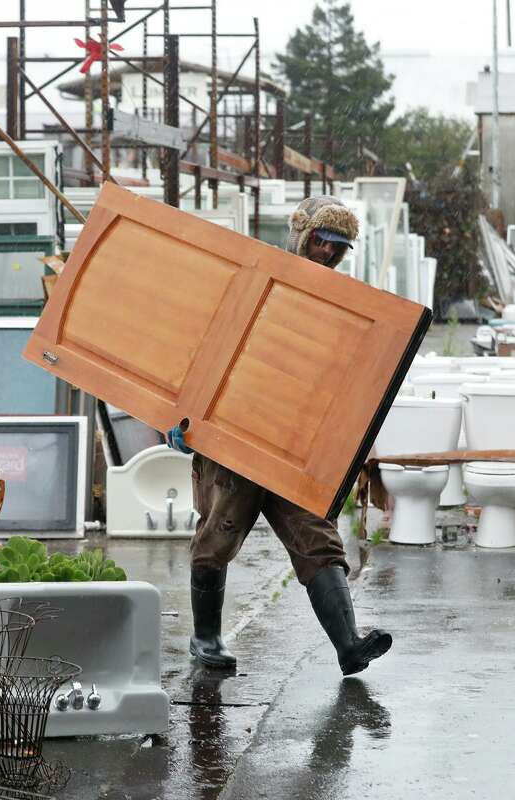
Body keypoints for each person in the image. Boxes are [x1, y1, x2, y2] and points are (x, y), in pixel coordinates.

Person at [166, 196, 392, 676]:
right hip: (235, 436)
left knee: (316, 538)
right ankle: (205, 637)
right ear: (303, 235)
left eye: (339, 247)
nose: (329, 254)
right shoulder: (256, 285)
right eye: (322, 241)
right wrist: (182, 418)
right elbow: (203, 347)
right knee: (217, 535)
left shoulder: (341, 306)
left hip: (295, 443)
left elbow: (346, 379)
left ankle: (348, 645)